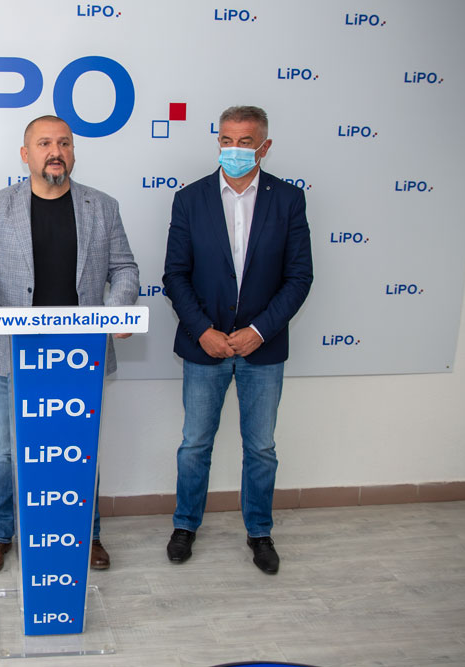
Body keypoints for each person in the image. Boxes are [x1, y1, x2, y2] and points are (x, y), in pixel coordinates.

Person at [0, 115, 139, 574]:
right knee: (7, 450)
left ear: (73, 151)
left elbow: (124, 268)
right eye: (44, 143)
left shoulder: (103, 207)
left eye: (64, 143)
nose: (55, 151)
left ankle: (87, 534)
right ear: (26, 154)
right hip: (14, 355)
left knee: (79, 448)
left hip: (80, 355)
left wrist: (117, 308)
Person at [162, 105, 313, 574]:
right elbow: (175, 275)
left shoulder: (288, 200)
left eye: (245, 142)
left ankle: (259, 532)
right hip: (203, 346)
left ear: (264, 147)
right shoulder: (191, 199)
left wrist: (259, 331)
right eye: (226, 140)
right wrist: (203, 331)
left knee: (261, 448)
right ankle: (185, 525)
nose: (234, 149)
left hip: (262, 349)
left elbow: (299, 277)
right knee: (194, 444)